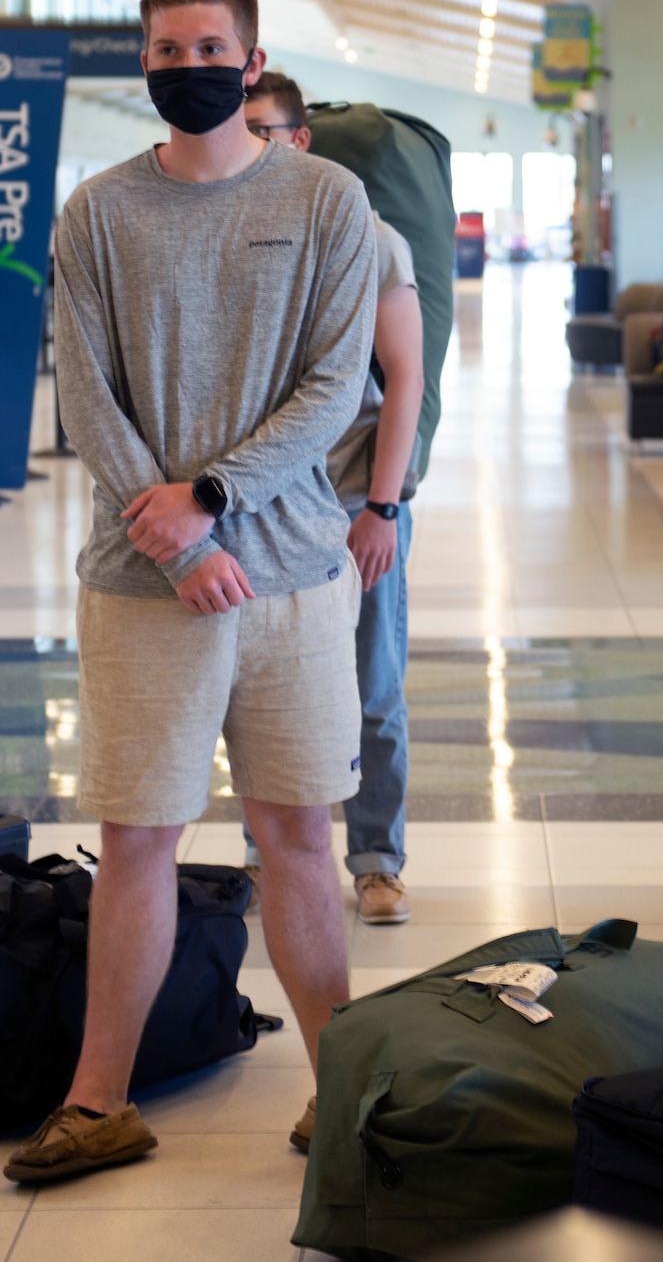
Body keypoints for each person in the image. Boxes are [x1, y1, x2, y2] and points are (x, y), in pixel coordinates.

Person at [4, 0, 377, 1184]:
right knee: (137, 839)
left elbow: (335, 386)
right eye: (163, 51)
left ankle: (343, 1095)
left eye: (207, 46)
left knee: (298, 836)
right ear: (144, 65)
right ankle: (97, 1100)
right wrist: (176, 537)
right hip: (142, 584)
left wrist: (214, 500)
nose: (184, 67)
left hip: (294, 580)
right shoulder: (96, 212)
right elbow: (83, 389)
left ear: (252, 59)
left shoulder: (328, 199)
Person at [243, 69, 426, 928]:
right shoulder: (231, 239)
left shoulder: (374, 240)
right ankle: (269, 846)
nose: (246, 149)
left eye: (262, 134)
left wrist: (383, 508)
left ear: (300, 141)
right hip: (257, 509)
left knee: (371, 685)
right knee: (262, 686)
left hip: (355, 501)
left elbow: (406, 382)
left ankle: (377, 859)